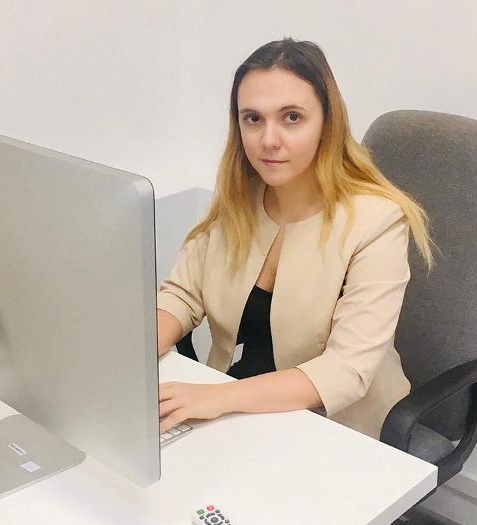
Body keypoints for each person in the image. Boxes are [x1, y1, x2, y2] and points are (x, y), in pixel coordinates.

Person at [156, 37, 435, 440]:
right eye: (253, 118)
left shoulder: (377, 220)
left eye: (291, 117)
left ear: (327, 123)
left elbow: (345, 370)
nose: (268, 139)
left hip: (338, 428)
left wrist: (219, 397)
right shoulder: (238, 199)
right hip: (241, 410)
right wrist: (131, 352)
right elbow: (182, 296)